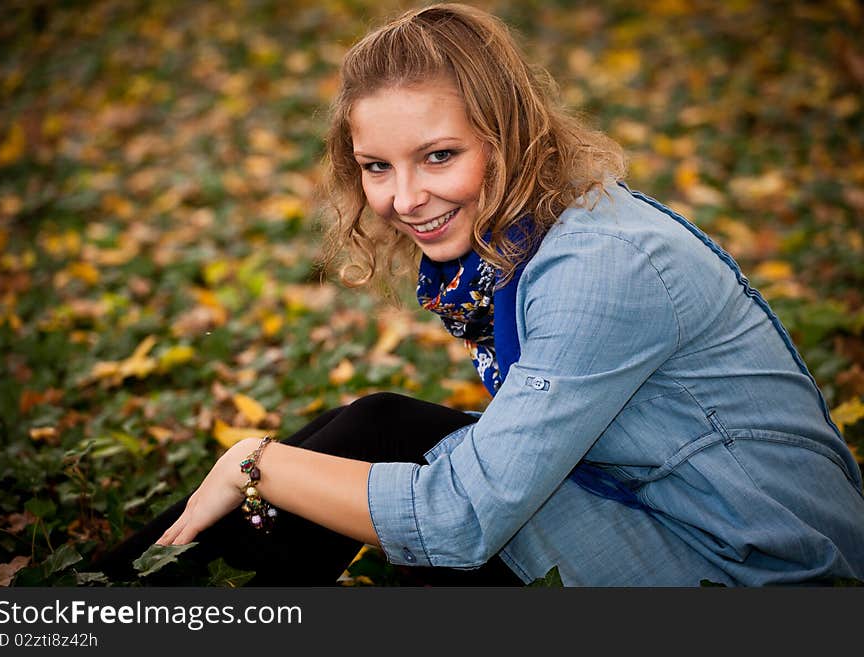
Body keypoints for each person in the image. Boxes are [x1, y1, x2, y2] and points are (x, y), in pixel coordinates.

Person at [98, 3, 864, 587]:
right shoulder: (530, 234)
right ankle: (103, 600)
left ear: (509, 134)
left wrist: (253, 460)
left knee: (400, 467)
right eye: (376, 166)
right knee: (381, 426)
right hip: (653, 509)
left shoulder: (602, 267)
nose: (403, 198)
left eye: (438, 156)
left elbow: (460, 518)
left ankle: (103, 609)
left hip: (755, 570)